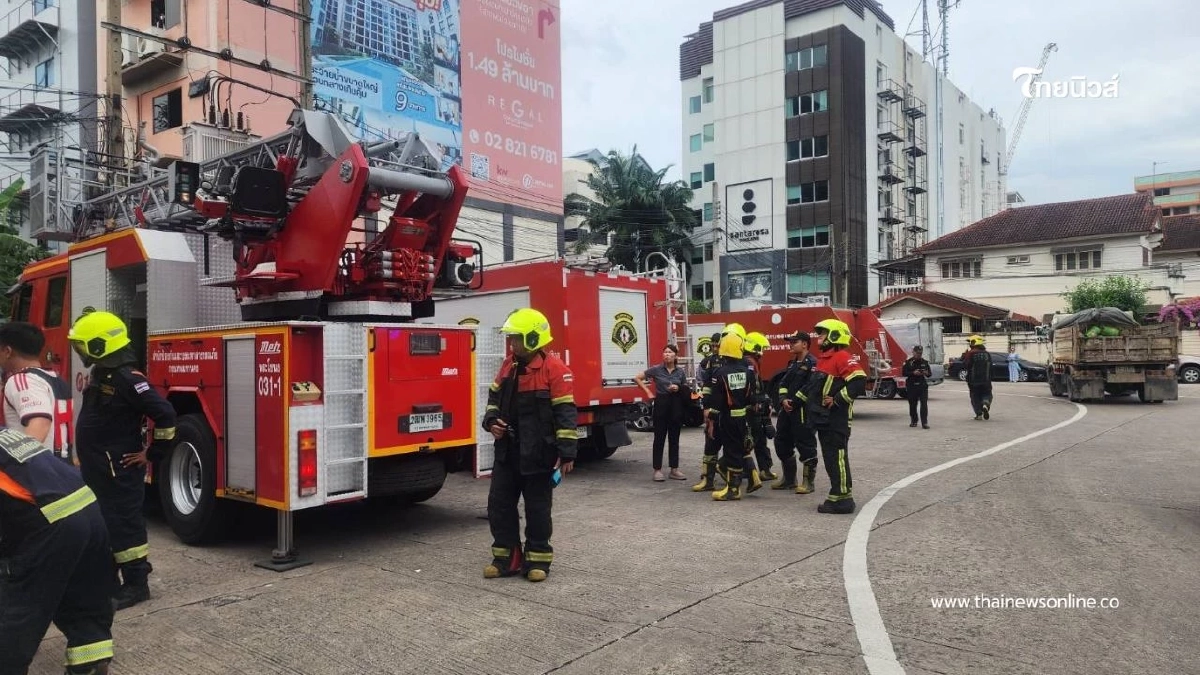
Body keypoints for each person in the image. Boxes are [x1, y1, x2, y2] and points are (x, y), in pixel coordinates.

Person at [68, 310, 177, 610]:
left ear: (100, 345)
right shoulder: (102, 372)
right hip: (100, 469)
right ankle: (111, 579)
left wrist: (151, 454)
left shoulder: (129, 379)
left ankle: (136, 585)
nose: (78, 352)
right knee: (106, 524)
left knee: (124, 525)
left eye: (82, 346)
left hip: (118, 471)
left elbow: (166, 416)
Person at [0, 427, 116, 675]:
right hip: (87, 505)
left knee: (19, 605)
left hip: (51, 521)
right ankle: (91, 663)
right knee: (84, 599)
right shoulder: (6, 435)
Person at [481, 308, 577, 582]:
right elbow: (493, 400)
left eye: (517, 338)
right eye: (511, 338)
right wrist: (491, 422)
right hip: (508, 453)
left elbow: (565, 413)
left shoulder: (554, 369)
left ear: (533, 338)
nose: (512, 343)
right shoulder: (508, 366)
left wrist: (567, 453)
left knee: (537, 510)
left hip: (538, 454)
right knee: (499, 506)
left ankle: (538, 560)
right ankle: (506, 559)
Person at [802, 319, 867, 514]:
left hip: (836, 421)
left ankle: (843, 500)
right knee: (831, 459)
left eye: (822, 333)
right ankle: (837, 495)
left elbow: (859, 381)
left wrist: (837, 399)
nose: (819, 337)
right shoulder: (824, 359)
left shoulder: (842, 357)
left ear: (834, 335)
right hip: (824, 421)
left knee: (837, 459)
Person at [0, 322, 72, 458]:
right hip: (61, 462)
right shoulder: (55, 379)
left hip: (38, 466)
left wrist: (18, 460)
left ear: (7, 351)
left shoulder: (22, 380)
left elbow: (40, 424)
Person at [692, 324, 746, 493]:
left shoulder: (740, 361)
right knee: (710, 445)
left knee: (734, 448)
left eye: (718, 345)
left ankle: (734, 482)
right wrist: (706, 408)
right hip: (715, 411)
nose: (716, 348)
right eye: (714, 345)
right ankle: (708, 480)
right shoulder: (709, 362)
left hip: (730, 414)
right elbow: (707, 386)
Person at [703, 333, 753, 501]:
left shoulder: (720, 372)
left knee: (731, 452)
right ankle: (734, 487)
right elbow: (751, 397)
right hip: (742, 418)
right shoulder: (747, 372)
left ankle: (733, 490)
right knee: (737, 450)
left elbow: (717, 402)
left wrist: (710, 419)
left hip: (727, 418)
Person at [770, 331, 818, 492]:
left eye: (794, 342)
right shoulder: (792, 364)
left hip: (803, 410)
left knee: (805, 444)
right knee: (781, 441)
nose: (790, 344)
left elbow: (811, 386)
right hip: (787, 410)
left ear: (804, 344)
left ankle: (808, 483)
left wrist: (795, 401)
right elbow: (783, 383)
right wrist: (783, 399)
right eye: (790, 342)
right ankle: (789, 480)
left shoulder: (812, 363)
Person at [635, 345, 688, 482]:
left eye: (670, 352)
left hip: (675, 405)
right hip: (661, 404)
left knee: (674, 438)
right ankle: (657, 470)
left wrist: (678, 387)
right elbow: (638, 378)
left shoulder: (680, 372)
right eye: (665, 352)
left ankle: (674, 469)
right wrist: (648, 392)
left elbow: (686, 387)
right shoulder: (656, 369)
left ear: (675, 356)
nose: (667, 355)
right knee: (659, 438)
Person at [742, 332, 775, 491]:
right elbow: (754, 385)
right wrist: (759, 402)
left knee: (756, 438)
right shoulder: (750, 362)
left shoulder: (748, 360)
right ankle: (760, 470)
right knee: (756, 439)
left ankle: (762, 470)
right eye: (762, 348)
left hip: (751, 406)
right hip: (752, 408)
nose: (763, 351)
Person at [902, 345, 932, 429]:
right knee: (912, 404)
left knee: (924, 404)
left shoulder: (925, 362)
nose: (919, 355)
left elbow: (929, 374)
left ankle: (924, 423)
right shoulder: (908, 362)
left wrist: (926, 373)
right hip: (912, 386)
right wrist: (913, 373)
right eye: (918, 353)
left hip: (922, 386)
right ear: (913, 352)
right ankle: (914, 420)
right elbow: (904, 373)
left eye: (920, 353)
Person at [964, 335, 993, 420]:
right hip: (986, 380)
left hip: (973, 380)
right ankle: (985, 403)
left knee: (975, 396)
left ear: (974, 342)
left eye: (971, 342)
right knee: (987, 393)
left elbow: (966, 365)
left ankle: (979, 414)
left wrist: (964, 356)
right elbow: (991, 366)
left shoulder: (970, 353)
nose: (970, 344)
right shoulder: (987, 353)